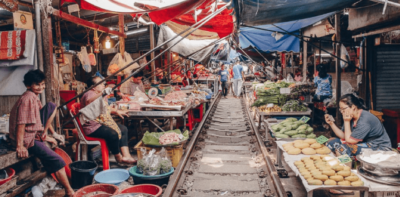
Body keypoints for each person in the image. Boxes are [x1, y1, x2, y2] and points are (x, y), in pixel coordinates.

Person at [9, 70, 74, 196]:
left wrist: (47, 134)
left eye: (42, 84)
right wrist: (20, 145)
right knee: (57, 160)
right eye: (37, 84)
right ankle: (69, 191)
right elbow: (21, 124)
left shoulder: (34, 97)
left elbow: (40, 117)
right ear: (29, 85)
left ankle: (45, 134)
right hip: (28, 138)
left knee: (52, 106)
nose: (41, 87)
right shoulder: (27, 98)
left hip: (34, 134)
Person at [81, 76, 136, 165]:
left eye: (103, 83)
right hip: (92, 126)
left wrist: (117, 111)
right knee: (113, 134)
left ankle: (126, 155)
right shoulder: (89, 93)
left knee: (123, 129)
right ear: (94, 87)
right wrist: (102, 94)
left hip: (101, 123)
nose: (103, 85)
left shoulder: (102, 95)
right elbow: (89, 102)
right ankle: (118, 156)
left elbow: (106, 108)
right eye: (101, 83)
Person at [325, 94, 392, 157]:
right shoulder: (351, 117)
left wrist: (346, 121)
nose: (341, 111)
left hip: (378, 146)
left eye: (343, 109)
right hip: (364, 143)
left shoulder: (365, 120)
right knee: (332, 142)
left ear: (353, 107)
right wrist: (331, 123)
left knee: (342, 149)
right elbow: (344, 136)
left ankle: (346, 168)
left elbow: (349, 140)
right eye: (340, 109)